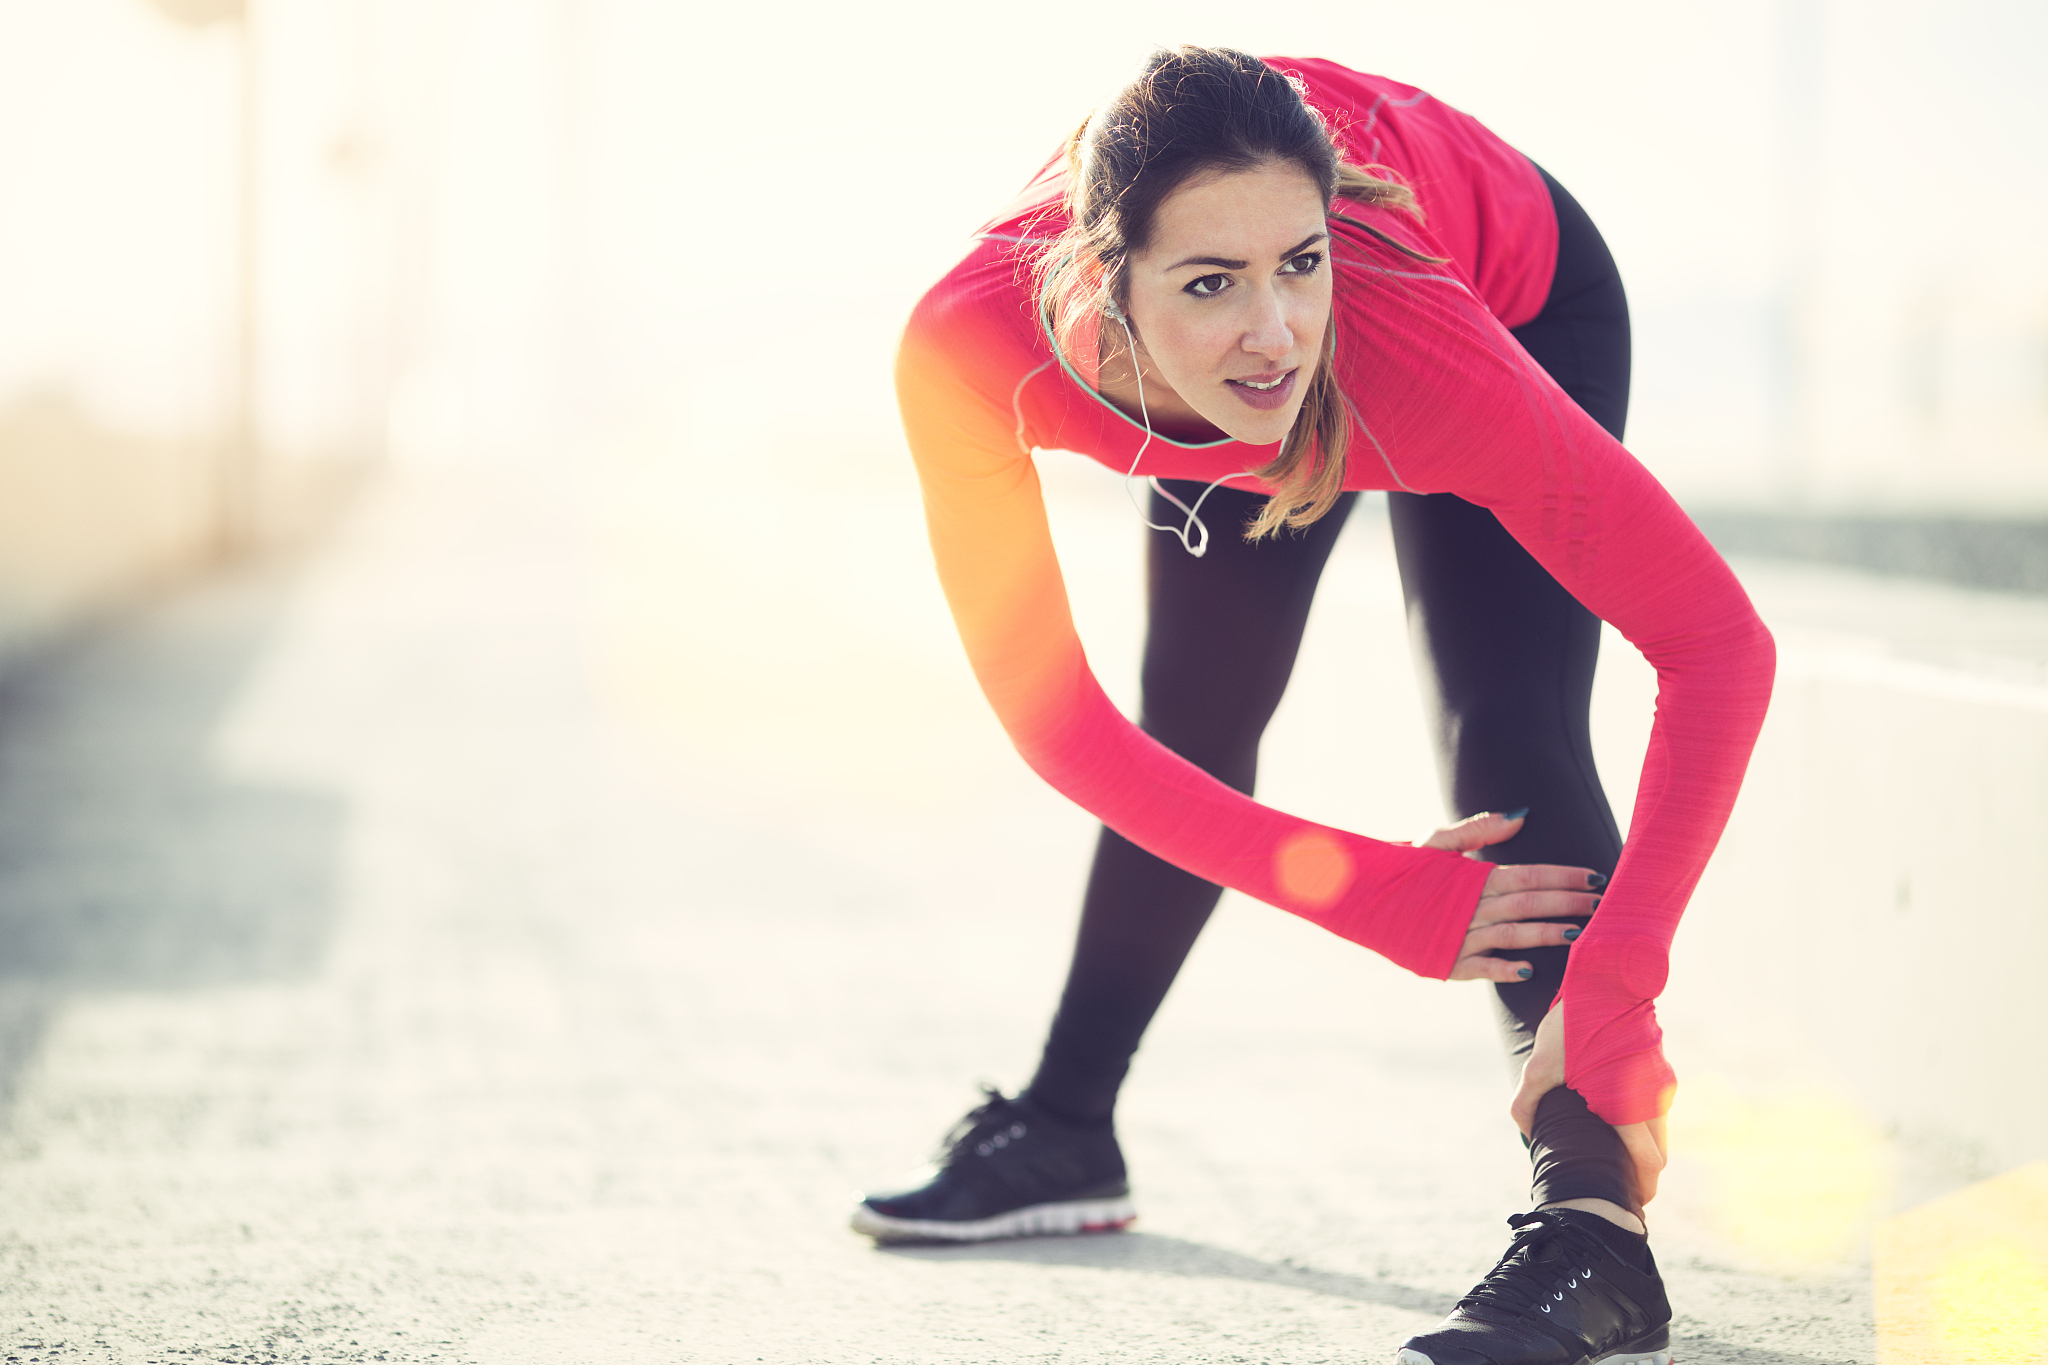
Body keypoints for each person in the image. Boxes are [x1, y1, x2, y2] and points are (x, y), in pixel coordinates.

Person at [860, 47, 1774, 1365]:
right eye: (1211, 282)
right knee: (1191, 731)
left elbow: (1717, 644)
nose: (1275, 329)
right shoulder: (970, 352)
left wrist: (1620, 984)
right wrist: (1372, 894)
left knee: (1504, 737)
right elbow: (1060, 723)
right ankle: (1066, 1125)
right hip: (1224, 382)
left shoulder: (1398, 344)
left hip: (1516, 296)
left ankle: (1595, 1238)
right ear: (1102, 285)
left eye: (1299, 261)